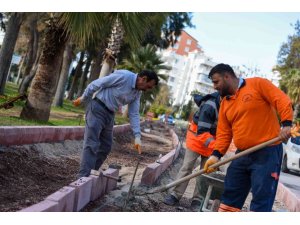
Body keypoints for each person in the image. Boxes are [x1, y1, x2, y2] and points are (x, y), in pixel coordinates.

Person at [204, 63, 293, 212]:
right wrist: (216, 155)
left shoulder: (257, 84)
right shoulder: (225, 103)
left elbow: (281, 99)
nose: (214, 87)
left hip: (267, 153)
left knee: (261, 199)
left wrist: (287, 124)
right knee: (230, 194)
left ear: (227, 76)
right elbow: (224, 133)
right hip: (242, 154)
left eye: (216, 81)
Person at [73, 69, 159, 178]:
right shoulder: (124, 76)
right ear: (143, 79)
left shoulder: (137, 93)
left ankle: (91, 173)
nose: (148, 90)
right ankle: (82, 177)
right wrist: (84, 98)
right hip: (97, 108)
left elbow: (134, 114)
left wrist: (137, 136)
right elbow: (97, 83)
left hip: (110, 114)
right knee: (92, 143)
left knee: (106, 145)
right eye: (148, 86)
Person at [163, 91, 221, 209]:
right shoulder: (210, 106)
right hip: (197, 139)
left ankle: (198, 199)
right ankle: (175, 194)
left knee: (206, 172)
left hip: (213, 141)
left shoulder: (229, 105)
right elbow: (202, 132)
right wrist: (217, 149)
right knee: (187, 167)